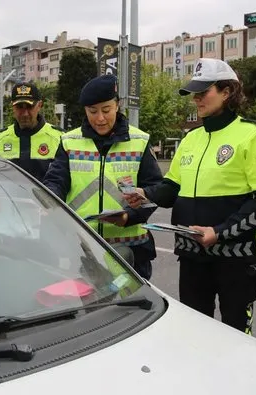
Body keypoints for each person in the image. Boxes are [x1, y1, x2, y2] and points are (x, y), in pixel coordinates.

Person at [123, 58, 256, 334]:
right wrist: (144, 193)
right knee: (196, 334)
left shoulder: (252, 134)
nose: (196, 99)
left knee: (236, 337)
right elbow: (172, 189)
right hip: (192, 255)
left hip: (237, 258)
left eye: (203, 92)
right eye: (194, 94)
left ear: (227, 91)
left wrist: (219, 232)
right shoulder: (190, 139)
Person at [42, 75, 162, 281]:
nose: (100, 118)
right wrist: (47, 199)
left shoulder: (140, 141)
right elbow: (56, 181)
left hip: (130, 251)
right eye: (92, 111)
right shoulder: (69, 141)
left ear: (117, 105)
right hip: (81, 248)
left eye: (106, 110)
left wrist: (128, 217)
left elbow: (155, 190)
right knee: (85, 309)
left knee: (133, 310)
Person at [0, 82, 63, 182]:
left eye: (29, 107)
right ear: (12, 107)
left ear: (39, 105)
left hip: (43, 198)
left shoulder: (60, 138)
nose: (25, 113)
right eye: (20, 107)